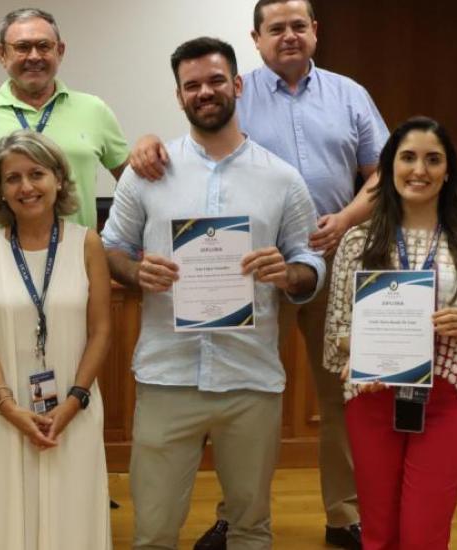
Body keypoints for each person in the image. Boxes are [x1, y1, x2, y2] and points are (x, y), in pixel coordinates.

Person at [129, 2, 388, 546]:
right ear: (257, 37)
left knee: (337, 393)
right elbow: (197, 143)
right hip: (233, 275)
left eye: (299, 26)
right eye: (277, 28)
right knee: (242, 389)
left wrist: (341, 221)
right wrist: (145, 141)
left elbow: (381, 171)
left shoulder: (350, 95)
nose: (289, 36)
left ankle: (345, 513)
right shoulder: (231, 88)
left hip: (324, 260)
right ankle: (233, 515)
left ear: (315, 31)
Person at [102, 37, 324, 550]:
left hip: (249, 378)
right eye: (192, 85)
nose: (205, 91)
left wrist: (289, 274)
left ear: (237, 85)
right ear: (179, 96)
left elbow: (312, 262)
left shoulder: (282, 179)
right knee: (154, 531)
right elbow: (112, 246)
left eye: (216, 80)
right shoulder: (148, 175)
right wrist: (136, 274)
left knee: (249, 528)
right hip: (167, 375)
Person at [323, 116, 457, 550]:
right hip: (374, 395)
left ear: (448, 171)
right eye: (408, 157)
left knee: (423, 534)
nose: (419, 170)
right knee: (379, 533)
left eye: (433, 159)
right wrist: (361, 346)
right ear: (389, 167)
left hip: (449, 396)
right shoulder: (359, 242)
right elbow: (337, 328)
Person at [0, 130, 113, 549]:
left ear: (59, 180)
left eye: (37, 174)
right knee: (6, 517)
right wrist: (9, 407)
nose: (26, 187)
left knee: (73, 516)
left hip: (75, 408)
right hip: (2, 410)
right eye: (12, 178)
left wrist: (72, 402)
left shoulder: (87, 243)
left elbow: (102, 331)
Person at [0, 7, 129, 234]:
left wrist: (114, 237)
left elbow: (132, 184)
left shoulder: (94, 111)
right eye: (22, 47)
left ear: (60, 51)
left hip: (78, 260)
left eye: (44, 46)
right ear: (1, 54)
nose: (34, 56)